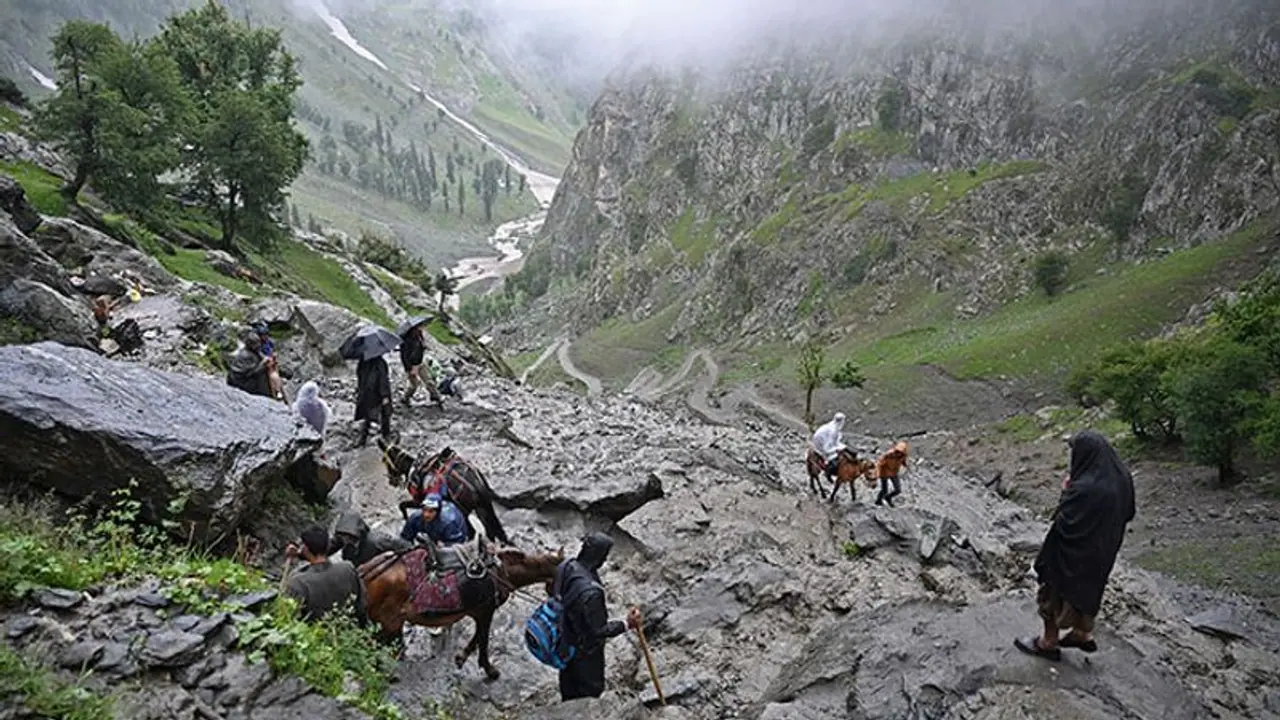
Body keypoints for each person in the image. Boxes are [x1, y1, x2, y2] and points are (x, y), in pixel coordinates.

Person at [1015, 431, 1135, 661]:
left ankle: (1048, 642)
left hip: (1070, 552)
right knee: (1089, 592)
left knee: (1051, 588)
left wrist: (1066, 491)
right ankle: (1082, 634)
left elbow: (1064, 519)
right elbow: (1129, 513)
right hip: (1104, 550)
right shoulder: (1123, 479)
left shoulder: (1084, 488)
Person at [556, 532, 642, 701]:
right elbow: (598, 630)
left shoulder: (567, 566)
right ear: (599, 556)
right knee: (589, 692)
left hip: (565, 639)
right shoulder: (592, 593)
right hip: (586, 653)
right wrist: (627, 624)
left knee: (568, 688)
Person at [284, 526, 367, 623]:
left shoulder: (298, 583)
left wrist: (290, 560)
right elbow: (362, 604)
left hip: (318, 635)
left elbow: (287, 616)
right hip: (350, 627)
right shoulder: (348, 568)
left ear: (305, 549)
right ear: (328, 545)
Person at [329, 510, 411, 567]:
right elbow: (328, 547)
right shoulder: (343, 541)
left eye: (348, 536)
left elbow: (401, 545)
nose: (345, 539)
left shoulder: (377, 540)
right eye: (343, 536)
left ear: (357, 533)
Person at [400, 494, 470, 546]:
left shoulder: (448, 523)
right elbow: (405, 537)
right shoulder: (416, 518)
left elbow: (457, 543)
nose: (426, 514)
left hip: (454, 537)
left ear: (438, 512)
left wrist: (441, 546)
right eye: (424, 510)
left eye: (431, 511)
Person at [399, 323, 443, 407]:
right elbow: (405, 356)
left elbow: (418, 350)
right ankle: (405, 398)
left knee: (428, 381)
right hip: (412, 365)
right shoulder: (407, 341)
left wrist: (423, 347)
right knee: (414, 385)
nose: (423, 327)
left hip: (420, 362)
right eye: (421, 326)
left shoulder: (418, 336)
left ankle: (436, 396)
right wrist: (410, 368)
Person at [355, 352, 393, 447]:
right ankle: (386, 435)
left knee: (367, 414)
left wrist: (360, 390)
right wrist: (385, 395)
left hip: (367, 392)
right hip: (377, 392)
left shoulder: (362, 361)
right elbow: (383, 379)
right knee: (385, 414)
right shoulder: (380, 363)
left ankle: (363, 437)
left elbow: (359, 376)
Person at [226, 331, 273, 399]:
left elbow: (261, 355)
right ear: (250, 344)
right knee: (262, 376)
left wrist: (267, 358)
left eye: (259, 343)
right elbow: (252, 373)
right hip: (240, 381)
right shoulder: (246, 355)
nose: (259, 345)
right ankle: (265, 396)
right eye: (256, 344)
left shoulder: (254, 351)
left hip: (247, 376)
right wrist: (263, 363)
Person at [251, 321, 286, 402]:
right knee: (273, 376)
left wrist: (273, 355)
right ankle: (277, 391)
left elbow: (272, 349)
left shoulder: (268, 342)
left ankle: (278, 389)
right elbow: (259, 354)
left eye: (266, 334)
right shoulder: (258, 344)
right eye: (264, 335)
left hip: (271, 360)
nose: (266, 336)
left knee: (275, 373)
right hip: (265, 363)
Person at [811, 412, 848, 480]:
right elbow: (827, 448)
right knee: (834, 459)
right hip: (821, 445)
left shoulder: (833, 426)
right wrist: (836, 449)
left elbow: (835, 441)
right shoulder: (833, 430)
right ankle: (828, 472)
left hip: (824, 441)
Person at [874, 441, 910, 507]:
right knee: (884, 490)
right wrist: (877, 472)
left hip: (894, 473)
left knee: (898, 489)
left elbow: (904, 462)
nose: (898, 454)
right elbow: (879, 463)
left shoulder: (903, 456)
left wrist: (906, 466)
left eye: (901, 453)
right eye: (898, 452)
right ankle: (878, 500)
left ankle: (888, 497)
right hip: (884, 472)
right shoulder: (888, 455)